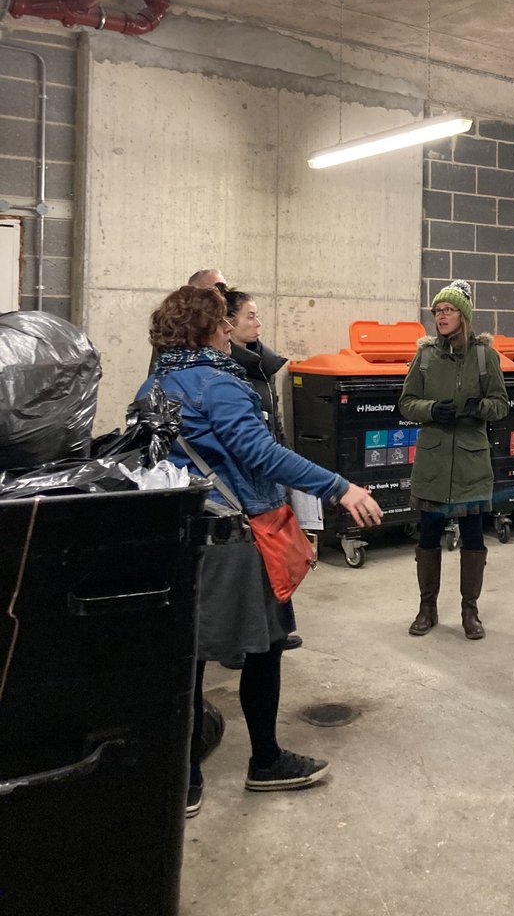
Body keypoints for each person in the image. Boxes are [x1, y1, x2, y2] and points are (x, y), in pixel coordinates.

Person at [136, 286, 382, 817]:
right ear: (207, 329)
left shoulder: (154, 382)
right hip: (237, 537)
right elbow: (261, 455)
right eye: (224, 322)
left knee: (190, 657)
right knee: (266, 647)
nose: (231, 330)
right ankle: (265, 761)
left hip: (185, 534)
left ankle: (184, 778)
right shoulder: (217, 387)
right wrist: (340, 487)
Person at [398, 280, 509, 640]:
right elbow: (406, 403)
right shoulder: (426, 356)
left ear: (465, 315)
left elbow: (502, 404)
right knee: (428, 536)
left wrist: (483, 408)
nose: (441, 316)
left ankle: (469, 610)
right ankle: (426, 607)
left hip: (471, 466)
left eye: (448, 310)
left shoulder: (484, 356)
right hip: (433, 463)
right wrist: (431, 410)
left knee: (474, 539)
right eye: (437, 311)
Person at [224, 288, 300, 656]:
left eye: (257, 316)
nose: (258, 323)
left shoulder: (261, 363)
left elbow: (275, 424)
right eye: (250, 316)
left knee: (278, 554)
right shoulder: (226, 370)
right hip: (243, 484)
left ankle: (280, 626)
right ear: (228, 323)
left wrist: (284, 462)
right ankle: (241, 641)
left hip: (269, 474)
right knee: (249, 561)